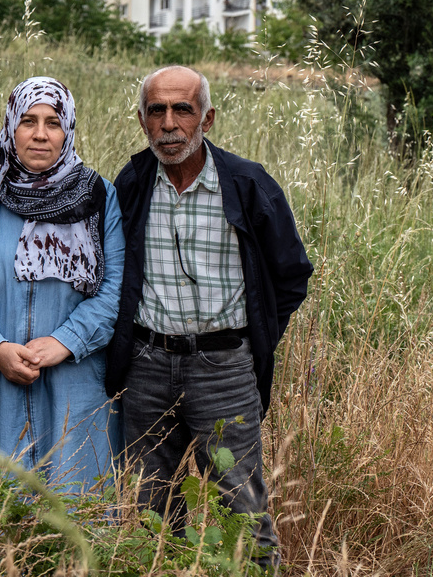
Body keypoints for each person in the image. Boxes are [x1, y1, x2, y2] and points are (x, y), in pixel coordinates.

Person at [104, 65, 312, 565]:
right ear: (141, 121)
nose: (170, 124)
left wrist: (249, 338)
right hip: (146, 368)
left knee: (241, 511)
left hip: (225, 369)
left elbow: (291, 275)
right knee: (149, 510)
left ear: (208, 118)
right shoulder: (130, 184)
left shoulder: (246, 183)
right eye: (157, 111)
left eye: (183, 109)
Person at [0, 76, 125, 494]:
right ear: (9, 127)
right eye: (28, 121)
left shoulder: (99, 197)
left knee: (74, 516)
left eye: (53, 122)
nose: (40, 134)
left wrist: (67, 341)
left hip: (73, 381)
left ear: (68, 129)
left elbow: (114, 290)